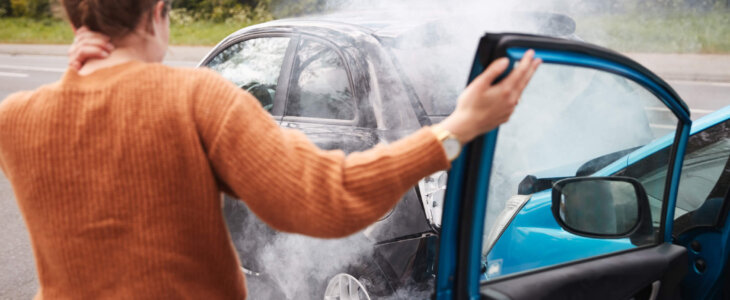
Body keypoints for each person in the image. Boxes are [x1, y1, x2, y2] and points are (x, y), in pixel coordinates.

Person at [0, 0, 540, 298]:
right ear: (159, 12)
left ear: (72, 17)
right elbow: (328, 201)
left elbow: (92, 125)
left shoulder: (18, 118)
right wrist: (460, 127)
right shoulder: (197, 98)